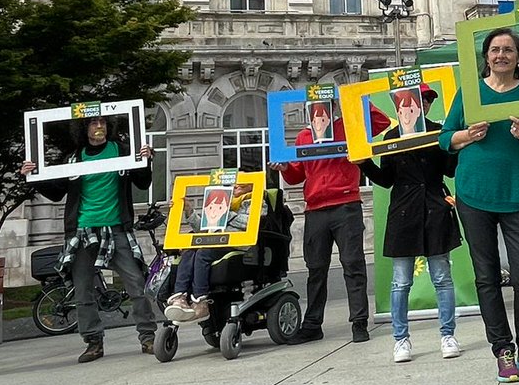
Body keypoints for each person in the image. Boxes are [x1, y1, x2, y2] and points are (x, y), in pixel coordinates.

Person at [439, 27, 519, 383]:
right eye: (495, 49)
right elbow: (445, 138)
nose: (501, 55)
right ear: (486, 57)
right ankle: (502, 349)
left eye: (508, 50)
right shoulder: (470, 92)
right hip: (473, 195)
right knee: (486, 276)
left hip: (517, 193)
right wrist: (467, 135)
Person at [21, 116, 155, 363]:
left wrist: (146, 161)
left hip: (116, 227)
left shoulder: (122, 151)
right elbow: (56, 193)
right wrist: (33, 177)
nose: (99, 127)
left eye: (103, 122)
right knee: (82, 290)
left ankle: (148, 337)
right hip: (82, 231)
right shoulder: (74, 158)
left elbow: (143, 182)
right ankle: (93, 342)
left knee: (136, 283)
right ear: (85, 129)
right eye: (93, 123)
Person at [360, 84, 462, 364]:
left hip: (434, 208)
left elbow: (450, 170)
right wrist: (363, 163)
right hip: (404, 212)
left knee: (442, 277)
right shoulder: (391, 137)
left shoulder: (438, 131)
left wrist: (456, 144)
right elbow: (386, 179)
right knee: (400, 281)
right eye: (415, 100)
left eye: (425, 101)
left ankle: (448, 335)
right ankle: (400, 339)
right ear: (399, 106)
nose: (421, 104)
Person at [270, 102, 385, 344]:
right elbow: (296, 175)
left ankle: (359, 322)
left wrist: (352, 98)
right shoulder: (303, 136)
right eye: (314, 109)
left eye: (324, 108)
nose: (319, 114)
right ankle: (313, 325)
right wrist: (284, 168)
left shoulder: (349, 128)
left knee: (353, 264)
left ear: (333, 108)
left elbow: (381, 122)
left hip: (346, 204)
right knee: (316, 269)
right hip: (315, 209)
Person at [165, 182, 255, 323]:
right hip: (213, 241)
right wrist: (188, 210)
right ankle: (180, 297)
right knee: (189, 251)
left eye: (242, 184)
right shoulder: (222, 199)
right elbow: (202, 229)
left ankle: (200, 301)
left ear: (252, 186)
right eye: (235, 184)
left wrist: (225, 213)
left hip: (236, 244)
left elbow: (251, 222)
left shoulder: (256, 199)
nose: (236, 186)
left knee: (203, 253)